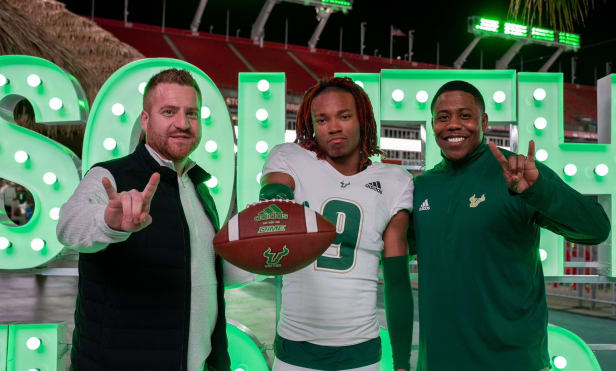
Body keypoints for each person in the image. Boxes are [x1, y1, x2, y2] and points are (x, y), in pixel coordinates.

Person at [411, 80, 611, 371]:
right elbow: (394, 249)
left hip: (514, 362)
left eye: (465, 116)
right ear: (432, 124)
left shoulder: (516, 172)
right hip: (439, 361)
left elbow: (596, 229)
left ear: (484, 121)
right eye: (443, 117)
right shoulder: (422, 187)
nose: (453, 125)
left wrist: (539, 190)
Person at [57, 69, 230, 371]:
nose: (182, 123)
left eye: (192, 113)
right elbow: (68, 226)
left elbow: (203, 274)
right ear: (146, 120)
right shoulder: (110, 175)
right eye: (169, 112)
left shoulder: (200, 190)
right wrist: (109, 223)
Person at [260, 77, 414, 371]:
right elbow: (274, 194)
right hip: (295, 350)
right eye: (322, 119)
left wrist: (403, 362)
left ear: (363, 119)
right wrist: (274, 203)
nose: (333, 127)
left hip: (361, 353)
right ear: (311, 125)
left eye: (344, 116)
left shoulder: (395, 181)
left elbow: (397, 281)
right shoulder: (289, 157)